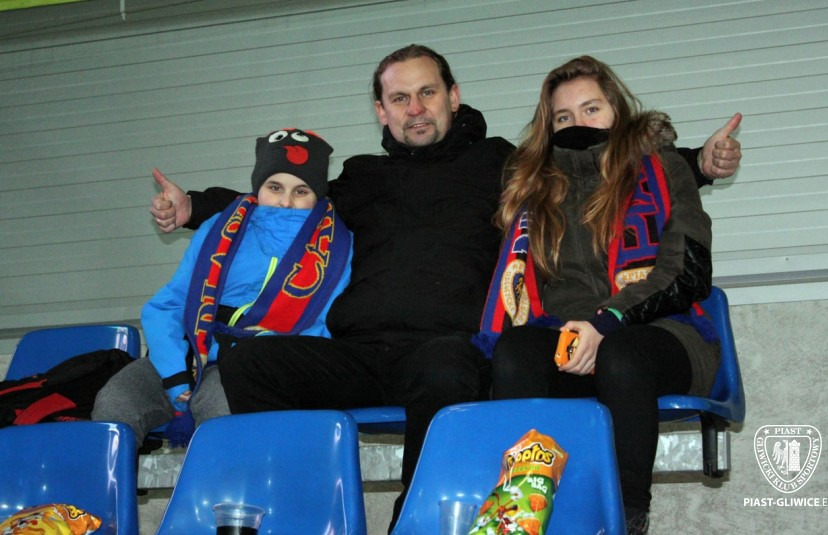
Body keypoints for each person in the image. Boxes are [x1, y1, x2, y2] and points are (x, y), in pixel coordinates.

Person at [146, 45, 741, 529]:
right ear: (381, 111)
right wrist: (195, 206)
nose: (416, 109)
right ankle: (296, 514)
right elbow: (285, 203)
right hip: (359, 351)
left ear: (453, 97)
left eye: (428, 93)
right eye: (399, 98)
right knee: (250, 364)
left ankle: (415, 522)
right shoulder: (360, 177)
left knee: (444, 367)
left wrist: (698, 164)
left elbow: (595, 165)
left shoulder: (502, 164)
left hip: (448, 349)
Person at [481, 56, 721, 535]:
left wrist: (607, 321)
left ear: (616, 109)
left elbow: (687, 273)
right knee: (515, 351)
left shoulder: (665, 169)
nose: (579, 123)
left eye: (591, 109)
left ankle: (626, 519)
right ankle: (521, 514)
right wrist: (580, 333)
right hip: (568, 338)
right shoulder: (533, 189)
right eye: (563, 117)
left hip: (661, 333)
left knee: (622, 354)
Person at [92, 128, 352, 449]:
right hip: (186, 352)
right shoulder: (219, 227)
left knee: (222, 410)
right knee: (115, 401)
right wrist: (174, 372)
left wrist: (254, 352)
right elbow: (168, 305)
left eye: (301, 191)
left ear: (318, 195)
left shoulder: (337, 249)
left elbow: (322, 331)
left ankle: (223, 484)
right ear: (258, 187)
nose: (285, 202)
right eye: (274, 187)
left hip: (252, 366)